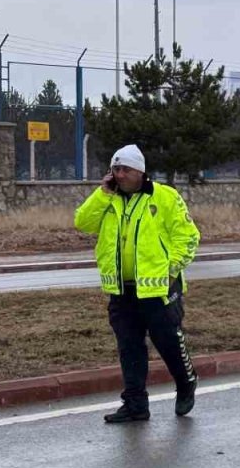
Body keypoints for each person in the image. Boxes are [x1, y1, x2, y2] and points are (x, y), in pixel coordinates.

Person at [74, 144, 201, 424]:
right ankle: (135, 405)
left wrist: (172, 269)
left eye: (125, 169)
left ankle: (185, 382)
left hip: (159, 288)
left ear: (140, 172)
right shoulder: (109, 199)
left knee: (168, 343)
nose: (119, 175)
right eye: (115, 169)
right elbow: (82, 222)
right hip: (122, 290)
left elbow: (189, 236)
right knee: (129, 347)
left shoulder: (165, 197)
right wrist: (102, 194)